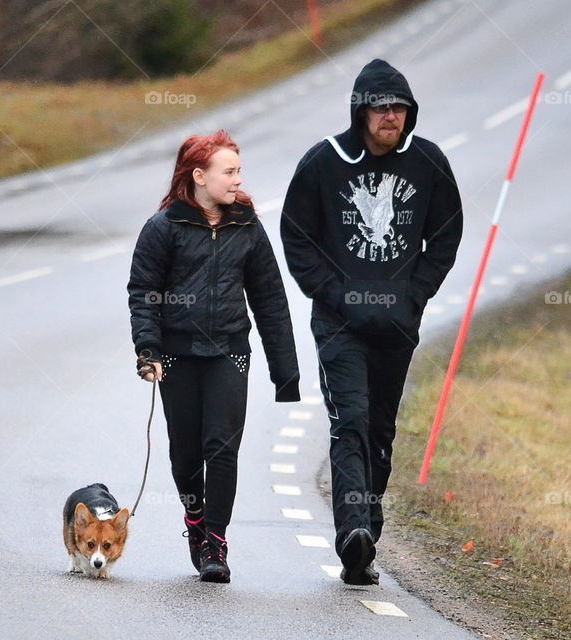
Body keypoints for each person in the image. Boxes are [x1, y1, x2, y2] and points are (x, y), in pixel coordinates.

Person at [280, 59, 463, 585]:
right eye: (382, 107)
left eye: (400, 108)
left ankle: (368, 538)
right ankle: (351, 534)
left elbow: (446, 236)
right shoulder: (324, 162)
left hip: (397, 327)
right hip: (340, 327)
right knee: (351, 422)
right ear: (361, 111)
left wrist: (415, 296)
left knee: (381, 430)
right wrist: (335, 294)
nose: (391, 117)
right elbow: (297, 236)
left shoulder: (428, 163)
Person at [128, 130, 301, 583]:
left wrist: (286, 373)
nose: (238, 180)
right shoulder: (163, 228)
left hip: (230, 352)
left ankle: (216, 543)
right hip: (178, 356)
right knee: (185, 456)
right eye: (230, 171)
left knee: (222, 449)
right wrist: (148, 349)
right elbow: (143, 295)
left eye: (239, 171)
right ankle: (195, 518)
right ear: (199, 176)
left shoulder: (247, 226)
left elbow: (270, 300)